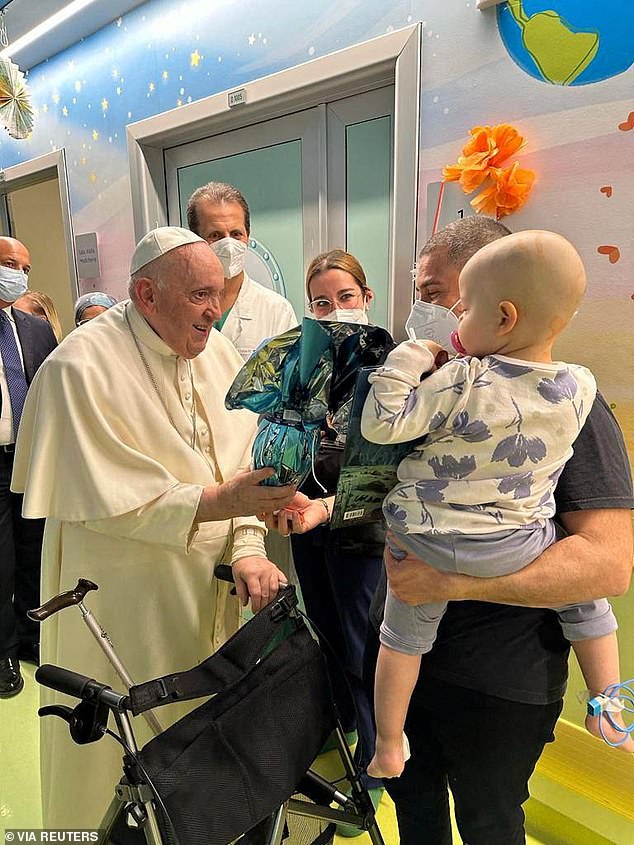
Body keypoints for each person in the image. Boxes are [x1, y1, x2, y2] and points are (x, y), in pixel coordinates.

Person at [11, 226, 296, 827]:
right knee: (122, 751)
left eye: (219, 294)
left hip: (207, 597)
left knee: (198, 751)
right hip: (121, 600)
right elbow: (110, 500)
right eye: (198, 295)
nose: (214, 311)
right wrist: (223, 501)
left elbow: (241, 466)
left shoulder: (217, 353)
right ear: (146, 294)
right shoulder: (78, 367)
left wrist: (248, 545)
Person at [364, 217, 633, 845]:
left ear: (499, 308)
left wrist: (448, 582)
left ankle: (606, 702)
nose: (429, 313)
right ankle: (610, 699)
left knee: (490, 821)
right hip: (409, 654)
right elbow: (381, 478)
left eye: (438, 296)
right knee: (416, 812)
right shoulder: (443, 383)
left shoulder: (570, 402)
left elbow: (606, 566)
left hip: (500, 679)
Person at [264, 249, 392, 827]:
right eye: (321, 301)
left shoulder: (395, 365)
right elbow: (282, 429)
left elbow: (392, 467)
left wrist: (327, 505)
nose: (335, 309)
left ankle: (376, 757)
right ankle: (342, 729)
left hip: (364, 530)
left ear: (366, 298)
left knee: (366, 642)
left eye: (345, 297)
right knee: (328, 632)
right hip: (307, 527)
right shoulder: (305, 363)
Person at [0, 237, 57, 698]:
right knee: (0, 561)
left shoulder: (35, 330)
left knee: (34, 551)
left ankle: (33, 636)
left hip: (31, 457)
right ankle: (3, 651)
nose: (17, 273)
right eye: (7, 264)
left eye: (24, 266)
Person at [187, 181, 298, 360]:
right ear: (195, 239)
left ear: (247, 236)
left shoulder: (276, 311)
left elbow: (287, 382)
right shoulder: (177, 307)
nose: (229, 245)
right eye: (215, 235)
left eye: (236, 234)